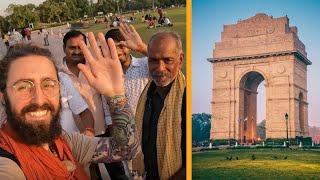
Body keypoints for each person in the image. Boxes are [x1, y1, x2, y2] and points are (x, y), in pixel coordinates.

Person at [0, 31, 138, 179]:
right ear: (3, 95)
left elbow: (126, 150)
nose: (39, 100)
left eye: (48, 84)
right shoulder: (7, 162)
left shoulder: (66, 143)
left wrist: (116, 95)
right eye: (23, 87)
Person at [130, 31, 186, 179]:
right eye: (153, 60)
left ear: (180, 60)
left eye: (168, 60)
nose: (160, 68)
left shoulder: (184, 97)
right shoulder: (147, 94)